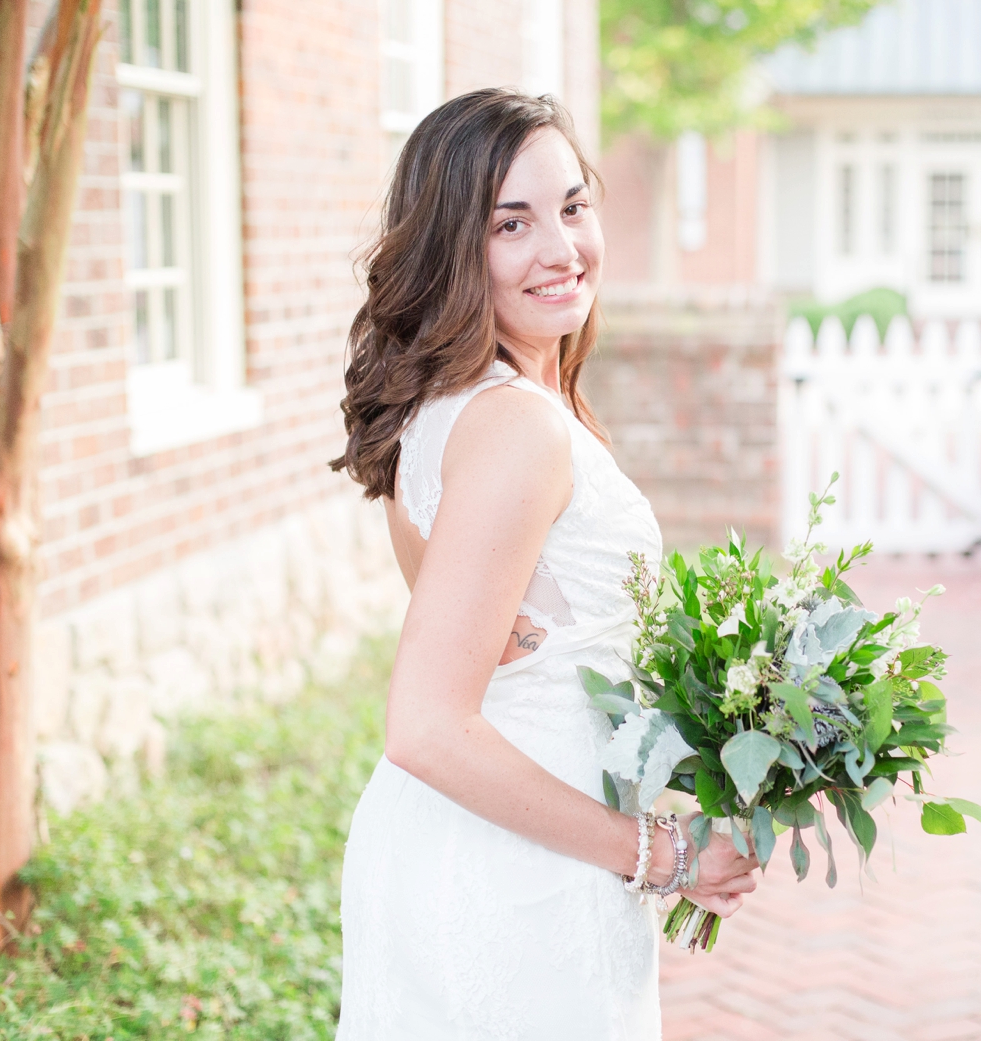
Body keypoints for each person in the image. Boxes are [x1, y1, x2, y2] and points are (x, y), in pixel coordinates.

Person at [330, 88, 761, 1040]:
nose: (562, 248)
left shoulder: (457, 408)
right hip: (511, 872)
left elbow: (539, 658)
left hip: (503, 839)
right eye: (511, 223)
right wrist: (660, 854)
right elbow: (428, 724)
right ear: (452, 247)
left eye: (572, 207)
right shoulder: (516, 426)